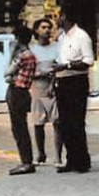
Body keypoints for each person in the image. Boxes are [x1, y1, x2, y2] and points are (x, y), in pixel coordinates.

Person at [54, 9, 96, 173]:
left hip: (76, 81)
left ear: (66, 17)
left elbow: (88, 61)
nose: (56, 19)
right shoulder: (62, 37)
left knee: (76, 122)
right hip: (62, 80)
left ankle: (82, 161)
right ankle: (71, 159)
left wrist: (68, 65)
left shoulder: (81, 36)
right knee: (65, 123)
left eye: (59, 15)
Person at [3, 24, 38, 175]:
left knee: (19, 128)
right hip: (20, 91)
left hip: (18, 92)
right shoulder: (29, 55)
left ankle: (26, 162)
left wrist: (12, 54)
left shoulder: (24, 56)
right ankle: (26, 160)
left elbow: (7, 72)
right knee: (19, 127)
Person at [28, 17, 62, 166]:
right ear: (36, 31)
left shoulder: (57, 47)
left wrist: (53, 80)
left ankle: (58, 156)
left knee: (57, 122)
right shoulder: (32, 50)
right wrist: (40, 74)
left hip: (53, 88)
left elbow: (60, 67)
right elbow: (27, 72)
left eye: (49, 27)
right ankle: (40, 154)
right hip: (37, 88)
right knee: (38, 123)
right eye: (43, 27)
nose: (47, 30)